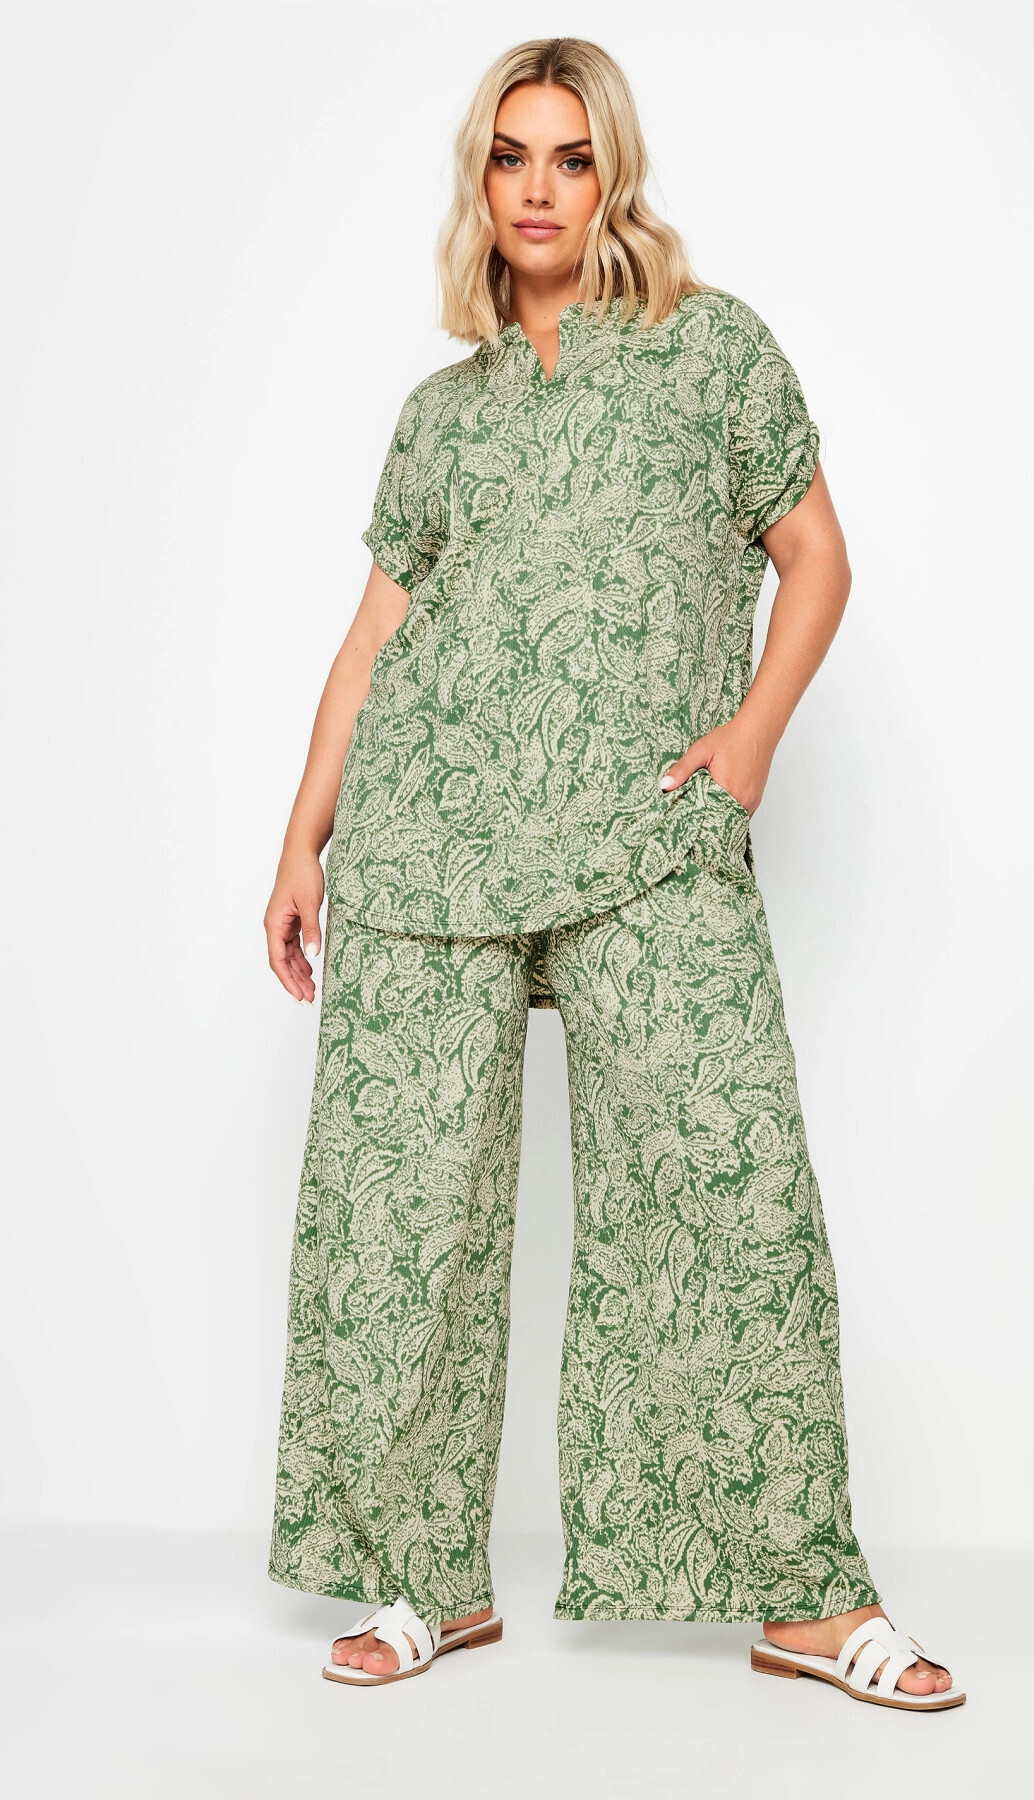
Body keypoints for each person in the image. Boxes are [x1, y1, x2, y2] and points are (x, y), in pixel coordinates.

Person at [263, 36, 964, 1712]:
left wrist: (754, 735)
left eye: (570, 157)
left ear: (612, 176)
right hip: (430, 848)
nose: (539, 187)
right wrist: (303, 837)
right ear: (481, 181)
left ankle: (808, 1592)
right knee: (404, 1221)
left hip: (648, 835)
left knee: (734, 1196)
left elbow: (816, 555)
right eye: (511, 156)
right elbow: (373, 639)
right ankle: (428, 1581)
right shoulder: (442, 419)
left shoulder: (709, 352)